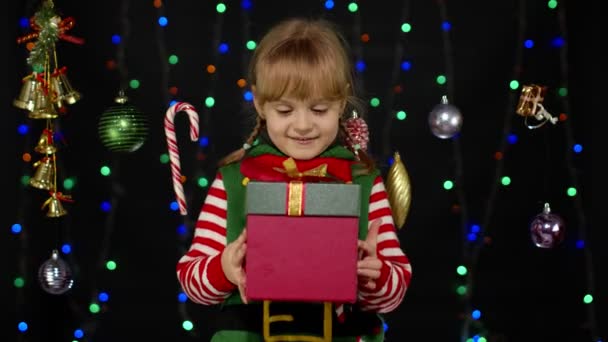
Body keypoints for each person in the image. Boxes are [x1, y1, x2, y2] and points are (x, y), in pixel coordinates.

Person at [176, 16, 412, 342]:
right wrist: (224, 268)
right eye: (285, 111)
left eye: (319, 110)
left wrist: (376, 275)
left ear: (341, 102)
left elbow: (395, 292)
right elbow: (192, 282)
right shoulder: (232, 181)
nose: (302, 126)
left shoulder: (363, 181)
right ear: (260, 104)